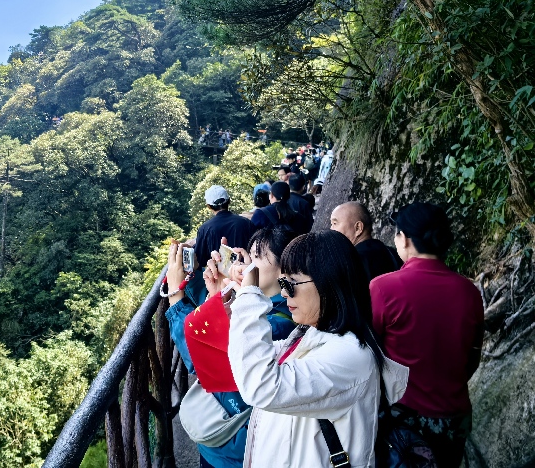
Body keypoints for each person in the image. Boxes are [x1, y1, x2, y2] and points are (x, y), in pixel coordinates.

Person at [226, 230, 409, 467]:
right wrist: (236, 301)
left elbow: (260, 384)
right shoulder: (310, 335)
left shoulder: (351, 355)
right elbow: (251, 356)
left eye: (290, 283)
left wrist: (250, 294)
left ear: (329, 282)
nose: (283, 292)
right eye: (282, 283)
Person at [164, 228, 298, 468]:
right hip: (226, 436)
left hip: (233, 448)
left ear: (284, 270)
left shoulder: (276, 325)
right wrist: (213, 290)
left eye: (256, 258)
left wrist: (175, 295)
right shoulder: (272, 306)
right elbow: (212, 328)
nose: (245, 264)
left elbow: (203, 358)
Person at [371, 203, 484, 467]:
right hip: (454, 417)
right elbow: (472, 360)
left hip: (405, 421)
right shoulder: (469, 292)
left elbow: (369, 354)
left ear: (406, 239)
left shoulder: (384, 288)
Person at [187, 185, 255, 307]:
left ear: (209, 206)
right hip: (245, 278)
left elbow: (201, 259)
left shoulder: (205, 228)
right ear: (228, 201)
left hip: (218, 282)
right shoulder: (246, 223)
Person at [330, 201, 402, 280]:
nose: (331, 229)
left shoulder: (351, 262)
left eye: (335, 223)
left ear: (358, 228)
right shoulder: (391, 252)